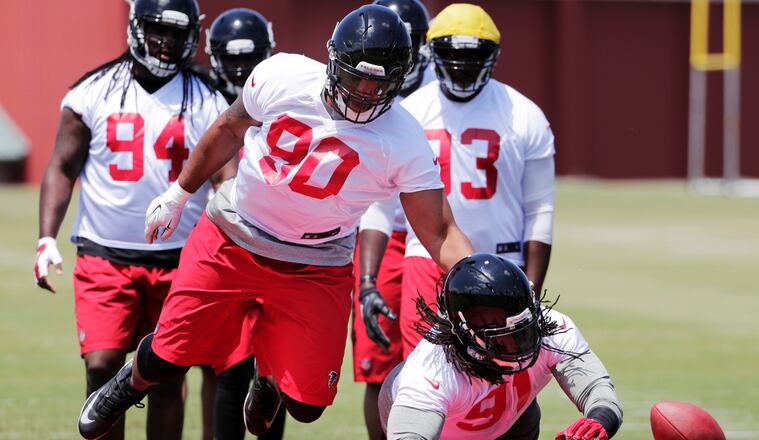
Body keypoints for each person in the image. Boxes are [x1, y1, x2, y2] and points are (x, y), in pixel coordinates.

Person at [76, 4, 474, 440]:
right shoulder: (283, 75)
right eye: (355, 76)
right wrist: (178, 194)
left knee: (306, 407)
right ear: (331, 61)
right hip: (233, 238)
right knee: (169, 359)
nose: (363, 91)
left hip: (317, 264)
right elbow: (228, 128)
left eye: (379, 83)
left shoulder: (403, 138)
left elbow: (438, 231)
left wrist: (482, 282)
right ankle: (127, 382)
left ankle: (267, 376)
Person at [34, 0, 229, 439]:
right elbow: (62, 166)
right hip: (105, 256)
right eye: (158, 29)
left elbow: (226, 179)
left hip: (180, 261)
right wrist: (46, 238)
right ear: (137, 28)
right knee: (102, 367)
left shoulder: (207, 98)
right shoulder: (92, 91)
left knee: (166, 377)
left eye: (178, 33)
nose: (167, 41)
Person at [373, 3, 557, 359]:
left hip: (504, 262)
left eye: (472, 55)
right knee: (427, 376)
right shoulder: (410, 111)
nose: (461, 64)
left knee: (506, 373)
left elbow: (540, 210)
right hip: (427, 259)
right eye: (452, 53)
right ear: (431, 52)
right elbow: (380, 204)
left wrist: (531, 287)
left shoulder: (525, 115)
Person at [378, 253, 624, 439]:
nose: (522, 344)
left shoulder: (552, 327)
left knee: (518, 400)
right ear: (466, 332)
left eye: (526, 330)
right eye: (505, 338)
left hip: (516, 421)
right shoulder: (431, 372)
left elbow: (598, 391)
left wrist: (598, 421)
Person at [351, 1, 434, 438]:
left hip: (431, 233)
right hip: (377, 231)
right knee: (377, 362)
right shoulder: (362, 87)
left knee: (436, 362)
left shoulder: (441, 92)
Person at [204, 8, 286, 440]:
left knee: (275, 369)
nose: (239, 70)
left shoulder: (284, 101)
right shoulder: (202, 101)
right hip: (220, 247)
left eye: (248, 61)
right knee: (230, 366)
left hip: (281, 246)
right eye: (231, 60)